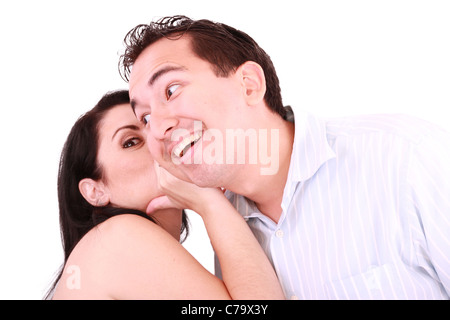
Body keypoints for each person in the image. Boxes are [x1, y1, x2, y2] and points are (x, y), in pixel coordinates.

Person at [120, 15, 450, 299]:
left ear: (249, 85)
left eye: (172, 90)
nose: (159, 128)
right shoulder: (227, 226)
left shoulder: (406, 158)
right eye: (145, 118)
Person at [47, 90, 284, 299]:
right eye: (131, 142)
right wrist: (210, 202)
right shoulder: (116, 237)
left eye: (151, 125)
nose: (157, 141)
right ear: (95, 191)